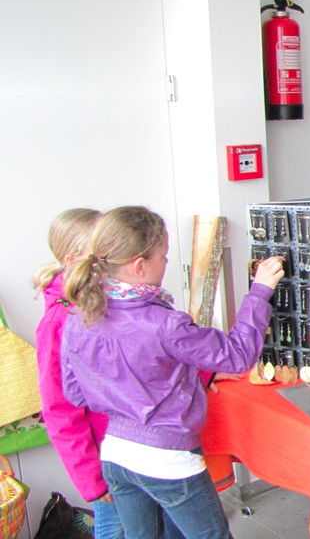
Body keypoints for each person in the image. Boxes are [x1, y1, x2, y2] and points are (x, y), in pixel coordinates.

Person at [60, 206, 284, 539]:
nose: (167, 263)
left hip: (116, 456)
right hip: (168, 460)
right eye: (163, 256)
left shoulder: (79, 316)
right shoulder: (164, 323)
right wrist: (260, 290)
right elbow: (238, 355)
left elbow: (75, 392)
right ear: (139, 266)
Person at [32, 208, 133, 538]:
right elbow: (60, 411)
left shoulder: (113, 298)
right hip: (108, 465)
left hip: (138, 448)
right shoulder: (57, 324)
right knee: (116, 529)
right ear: (72, 258)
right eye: (103, 250)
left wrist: (209, 373)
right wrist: (92, 480)